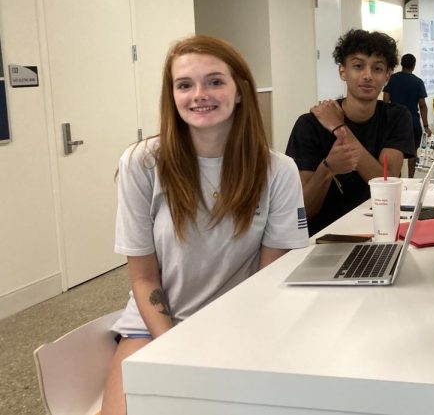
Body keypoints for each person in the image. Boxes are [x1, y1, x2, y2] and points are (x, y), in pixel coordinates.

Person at [101, 35, 309, 415]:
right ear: (173, 95)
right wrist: (174, 344)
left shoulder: (277, 171)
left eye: (215, 81)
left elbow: (269, 278)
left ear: (240, 90)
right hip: (155, 326)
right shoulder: (142, 163)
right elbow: (144, 278)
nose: (200, 94)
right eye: (185, 84)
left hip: (238, 324)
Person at [285, 29, 415, 236]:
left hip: (379, 233)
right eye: (358, 66)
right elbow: (303, 211)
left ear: (387, 76)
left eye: (378, 68)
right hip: (323, 239)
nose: (367, 76)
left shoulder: (397, 117)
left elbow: (386, 180)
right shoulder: (310, 125)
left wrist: (339, 128)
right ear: (342, 71)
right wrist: (327, 169)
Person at [383, 53, 431, 177]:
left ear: (402, 64)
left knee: (394, 151)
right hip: (413, 122)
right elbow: (422, 105)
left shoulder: (392, 79)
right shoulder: (418, 82)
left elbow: (385, 100)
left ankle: (397, 177)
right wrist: (426, 125)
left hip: (394, 122)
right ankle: (410, 178)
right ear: (414, 66)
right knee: (413, 152)